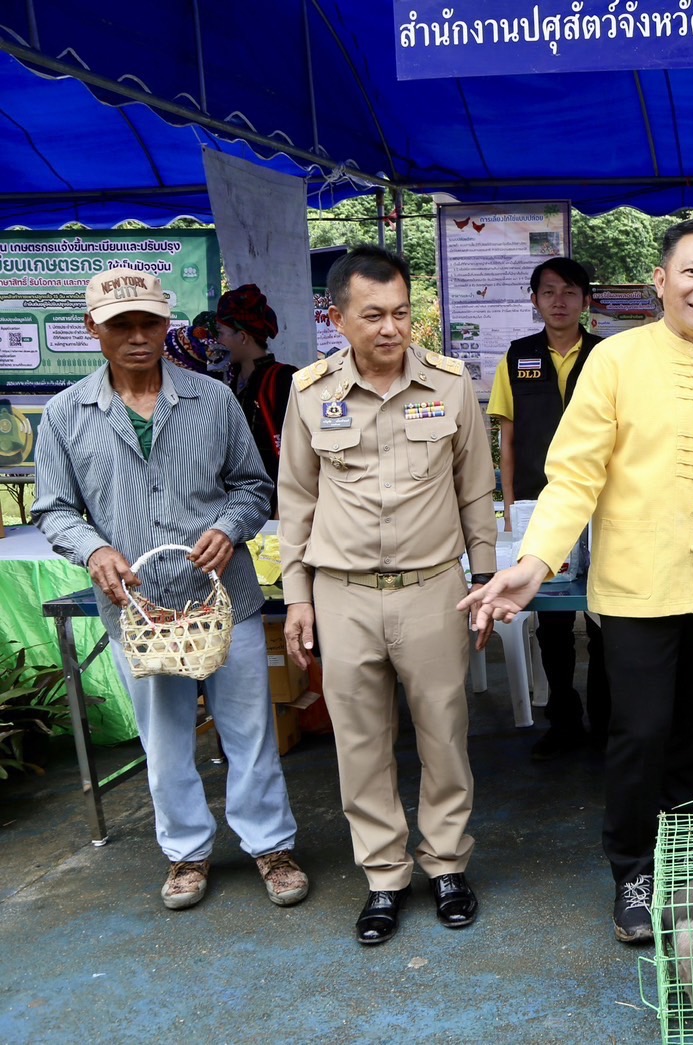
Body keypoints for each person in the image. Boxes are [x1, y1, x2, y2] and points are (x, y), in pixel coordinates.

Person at [460, 217, 693, 945]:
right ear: (661, 281)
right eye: (692, 272)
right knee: (638, 733)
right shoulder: (616, 362)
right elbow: (574, 475)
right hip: (637, 587)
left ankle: (683, 861)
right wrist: (534, 564)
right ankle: (633, 868)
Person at [33, 268, 308, 913]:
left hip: (224, 597)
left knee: (249, 728)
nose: (136, 338)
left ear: (167, 327)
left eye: (149, 323)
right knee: (165, 738)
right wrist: (94, 549)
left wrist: (228, 526)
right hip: (138, 608)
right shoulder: (68, 416)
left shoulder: (212, 401)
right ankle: (186, 853)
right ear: (92, 330)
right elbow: (53, 510)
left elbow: (253, 486)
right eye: (120, 325)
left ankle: (270, 845)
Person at [277, 246, 496, 945]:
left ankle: (448, 864)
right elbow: (296, 499)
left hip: (432, 588)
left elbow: (475, 488)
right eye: (372, 315)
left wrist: (485, 577)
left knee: (444, 731)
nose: (389, 328)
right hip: (341, 593)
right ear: (337, 316)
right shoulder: (311, 391)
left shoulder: (450, 383)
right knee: (361, 743)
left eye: (400, 312)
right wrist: (297, 596)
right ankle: (383, 875)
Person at [487, 256, 610, 757]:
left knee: (606, 614)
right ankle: (564, 720)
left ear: (586, 299)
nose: (559, 301)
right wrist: (512, 505)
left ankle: (606, 721)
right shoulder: (517, 358)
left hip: (603, 507)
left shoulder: (609, 355)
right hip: (540, 506)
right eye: (549, 292)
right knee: (551, 618)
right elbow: (508, 440)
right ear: (534, 299)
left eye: (570, 291)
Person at [216, 285, 296, 517]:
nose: (218, 340)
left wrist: (284, 507)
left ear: (242, 337)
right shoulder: (226, 380)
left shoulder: (284, 380)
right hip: (234, 504)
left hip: (273, 504)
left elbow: (297, 451)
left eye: (221, 332)